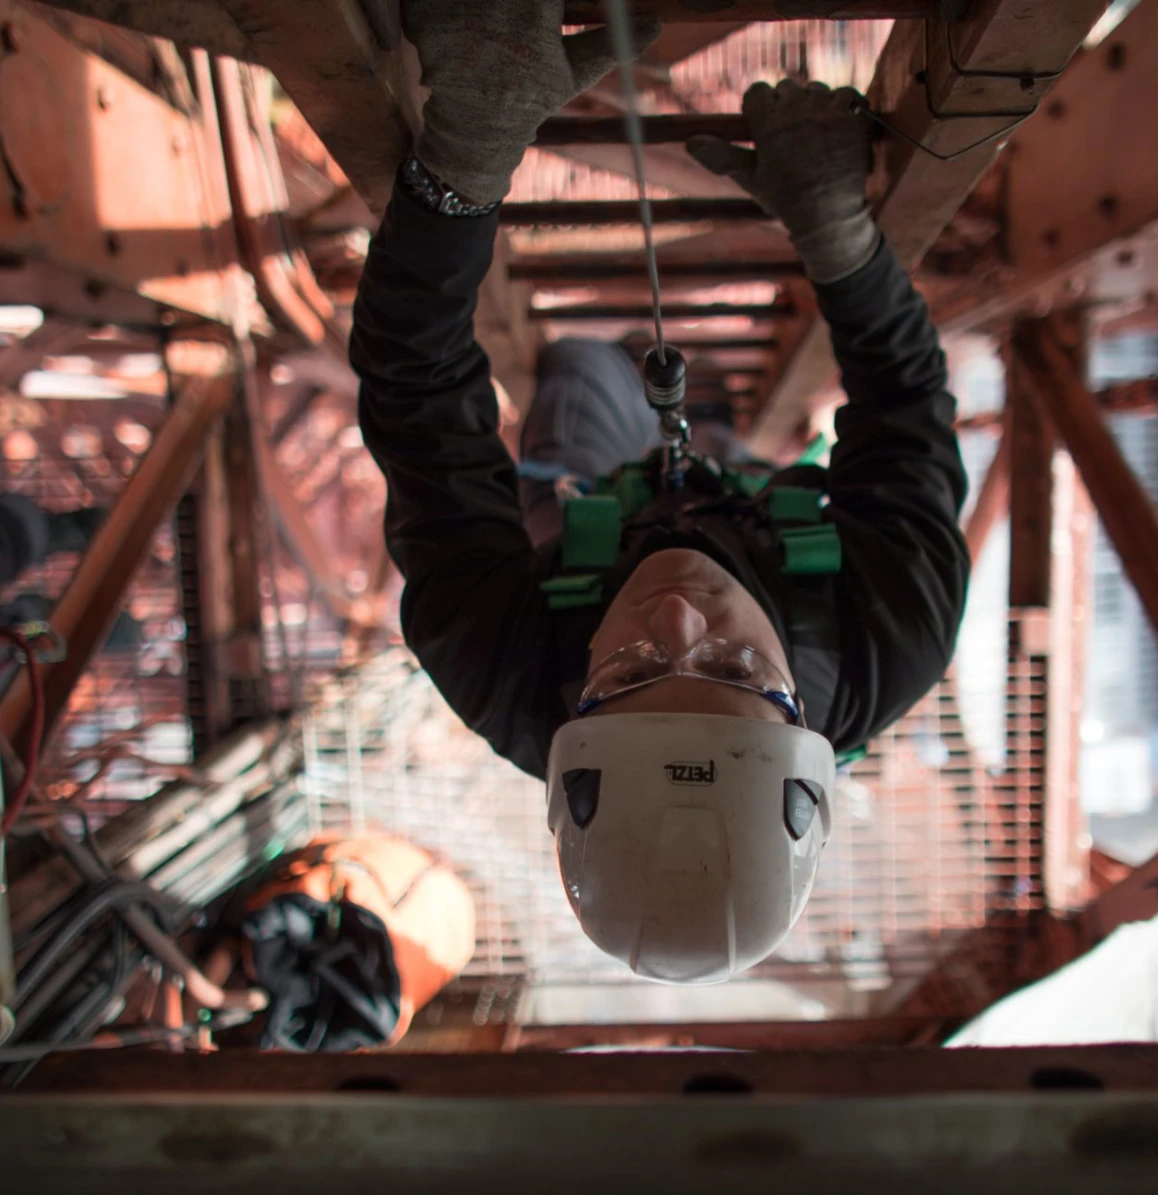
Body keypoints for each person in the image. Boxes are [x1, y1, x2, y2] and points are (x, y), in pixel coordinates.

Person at [351, 1, 970, 983]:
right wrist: (841, 243)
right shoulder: (891, 637)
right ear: (803, 724)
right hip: (764, 507)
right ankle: (715, 421)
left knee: (585, 368)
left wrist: (460, 171)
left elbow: (417, 400)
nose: (677, 611)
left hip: (586, 500)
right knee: (739, 435)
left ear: (573, 723)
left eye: (630, 673)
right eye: (733, 666)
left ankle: (647, 393)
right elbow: (903, 409)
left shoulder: (498, 668)